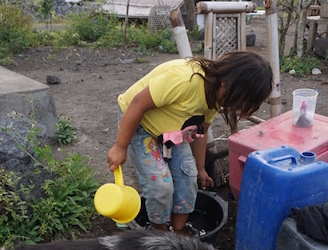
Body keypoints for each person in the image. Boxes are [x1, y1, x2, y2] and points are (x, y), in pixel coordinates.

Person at [107, 51, 272, 235]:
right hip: (140, 123)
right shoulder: (184, 80)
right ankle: (159, 233)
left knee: (189, 177)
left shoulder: (216, 97)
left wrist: (200, 168)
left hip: (173, 131)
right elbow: (137, 103)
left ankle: (177, 230)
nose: (232, 106)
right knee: (161, 186)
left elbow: (201, 130)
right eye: (236, 101)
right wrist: (119, 147)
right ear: (226, 82)